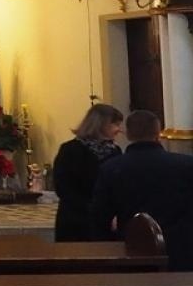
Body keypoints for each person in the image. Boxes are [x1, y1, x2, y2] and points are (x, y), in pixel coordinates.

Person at [89, 110, 193, 271]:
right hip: (181, 251)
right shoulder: (186, 165)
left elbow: (99, 216)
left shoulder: (112, 168)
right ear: (158, 133)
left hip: (132, 250)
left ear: (128, 134)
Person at [51, 102, 124, 242]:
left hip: (106, 222)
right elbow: (63, 187)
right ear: (101, 124)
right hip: (76, 220)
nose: (118, 130)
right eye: (115, 124)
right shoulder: (70, 150)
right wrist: (92, 209)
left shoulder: (115, 151)